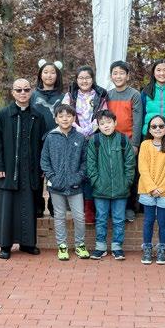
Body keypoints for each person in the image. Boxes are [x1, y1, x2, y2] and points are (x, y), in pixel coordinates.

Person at [0, 78, 45, 259]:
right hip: (9, 168)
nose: (23, 93)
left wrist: (42, 167)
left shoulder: (37, 116)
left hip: (30, 169)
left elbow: (42, 144)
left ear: (31, 92)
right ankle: (5, 245)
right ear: (13, 92)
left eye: (26, 89)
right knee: (7, 207)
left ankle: (27, 243)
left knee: (29, 206)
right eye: (19, 90)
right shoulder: (2, 115)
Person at [40, 104, 90, 261]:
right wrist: (52, 177)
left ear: (74, 118)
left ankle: (80, 244)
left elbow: (85, 161)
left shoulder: (80, 138)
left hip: (75, 186)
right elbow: (44, 160)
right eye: (61, 116)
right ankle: (62, 246)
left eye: (68, 116)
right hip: (56, 186)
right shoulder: (50, 137)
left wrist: (78, 177)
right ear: (56, 119)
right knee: (60, 216)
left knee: (79, 217)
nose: (65, 119)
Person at [86, 110, 135, 260]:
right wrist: (96, 182)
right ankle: (100, 247)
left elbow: (130, 163)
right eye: (102, 123)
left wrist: (127, 182)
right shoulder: (94, 141)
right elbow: (91, 165)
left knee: (119, 219)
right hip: (100, 189)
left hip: (121, 189)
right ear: (98, 126)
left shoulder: (122, 139)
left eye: (108, 122)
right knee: (101, 218)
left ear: (115, 123)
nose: (106, 126)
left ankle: (117, 247)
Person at [63, 66, 108, 224]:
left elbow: (102, 115)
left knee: (90, 171)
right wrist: (79, 130)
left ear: (92, 79)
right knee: (76, 169)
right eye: (81, 78)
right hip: (74, 137)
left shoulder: (100, 95)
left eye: (87, 77)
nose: (84, 81)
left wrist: (88, 130)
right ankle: (77, 205)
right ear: (77, 80)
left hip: (94, 138)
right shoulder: (70, 95)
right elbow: (64, 114)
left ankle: (89, 207)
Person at [137, 115, 165, 265]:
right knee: (148, 221)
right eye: (154, 126)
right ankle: (147, 249)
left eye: (161, 126)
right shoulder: (145, 145)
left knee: (163, 221)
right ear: (149, 129)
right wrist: (151, 187)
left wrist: (161, 188)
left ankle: (162, 249)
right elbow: (143, 168)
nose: (157, 129)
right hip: (147, 190)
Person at [107, 60, 142, 222]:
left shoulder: (134, 94)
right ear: (111, 76)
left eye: (121, 73)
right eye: (115, 73)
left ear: (127, 76)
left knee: (130, 175)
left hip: (128, 142)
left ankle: (129, 207)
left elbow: (137, 120)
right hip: (111, 142)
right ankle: (112, 207)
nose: (118, 76)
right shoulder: (108, 95)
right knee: (112, 174)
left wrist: (135, 143)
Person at [31, 59, 65, 217]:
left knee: (56, 173)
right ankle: (37, 204)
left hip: (57, 140)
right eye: (46, 72)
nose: (49, 75)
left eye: (52, 72)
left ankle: (54, 204)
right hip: (37, 141)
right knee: (37, 173)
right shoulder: (33, 95)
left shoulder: (63, 96)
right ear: (40, 74)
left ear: (57, 75)